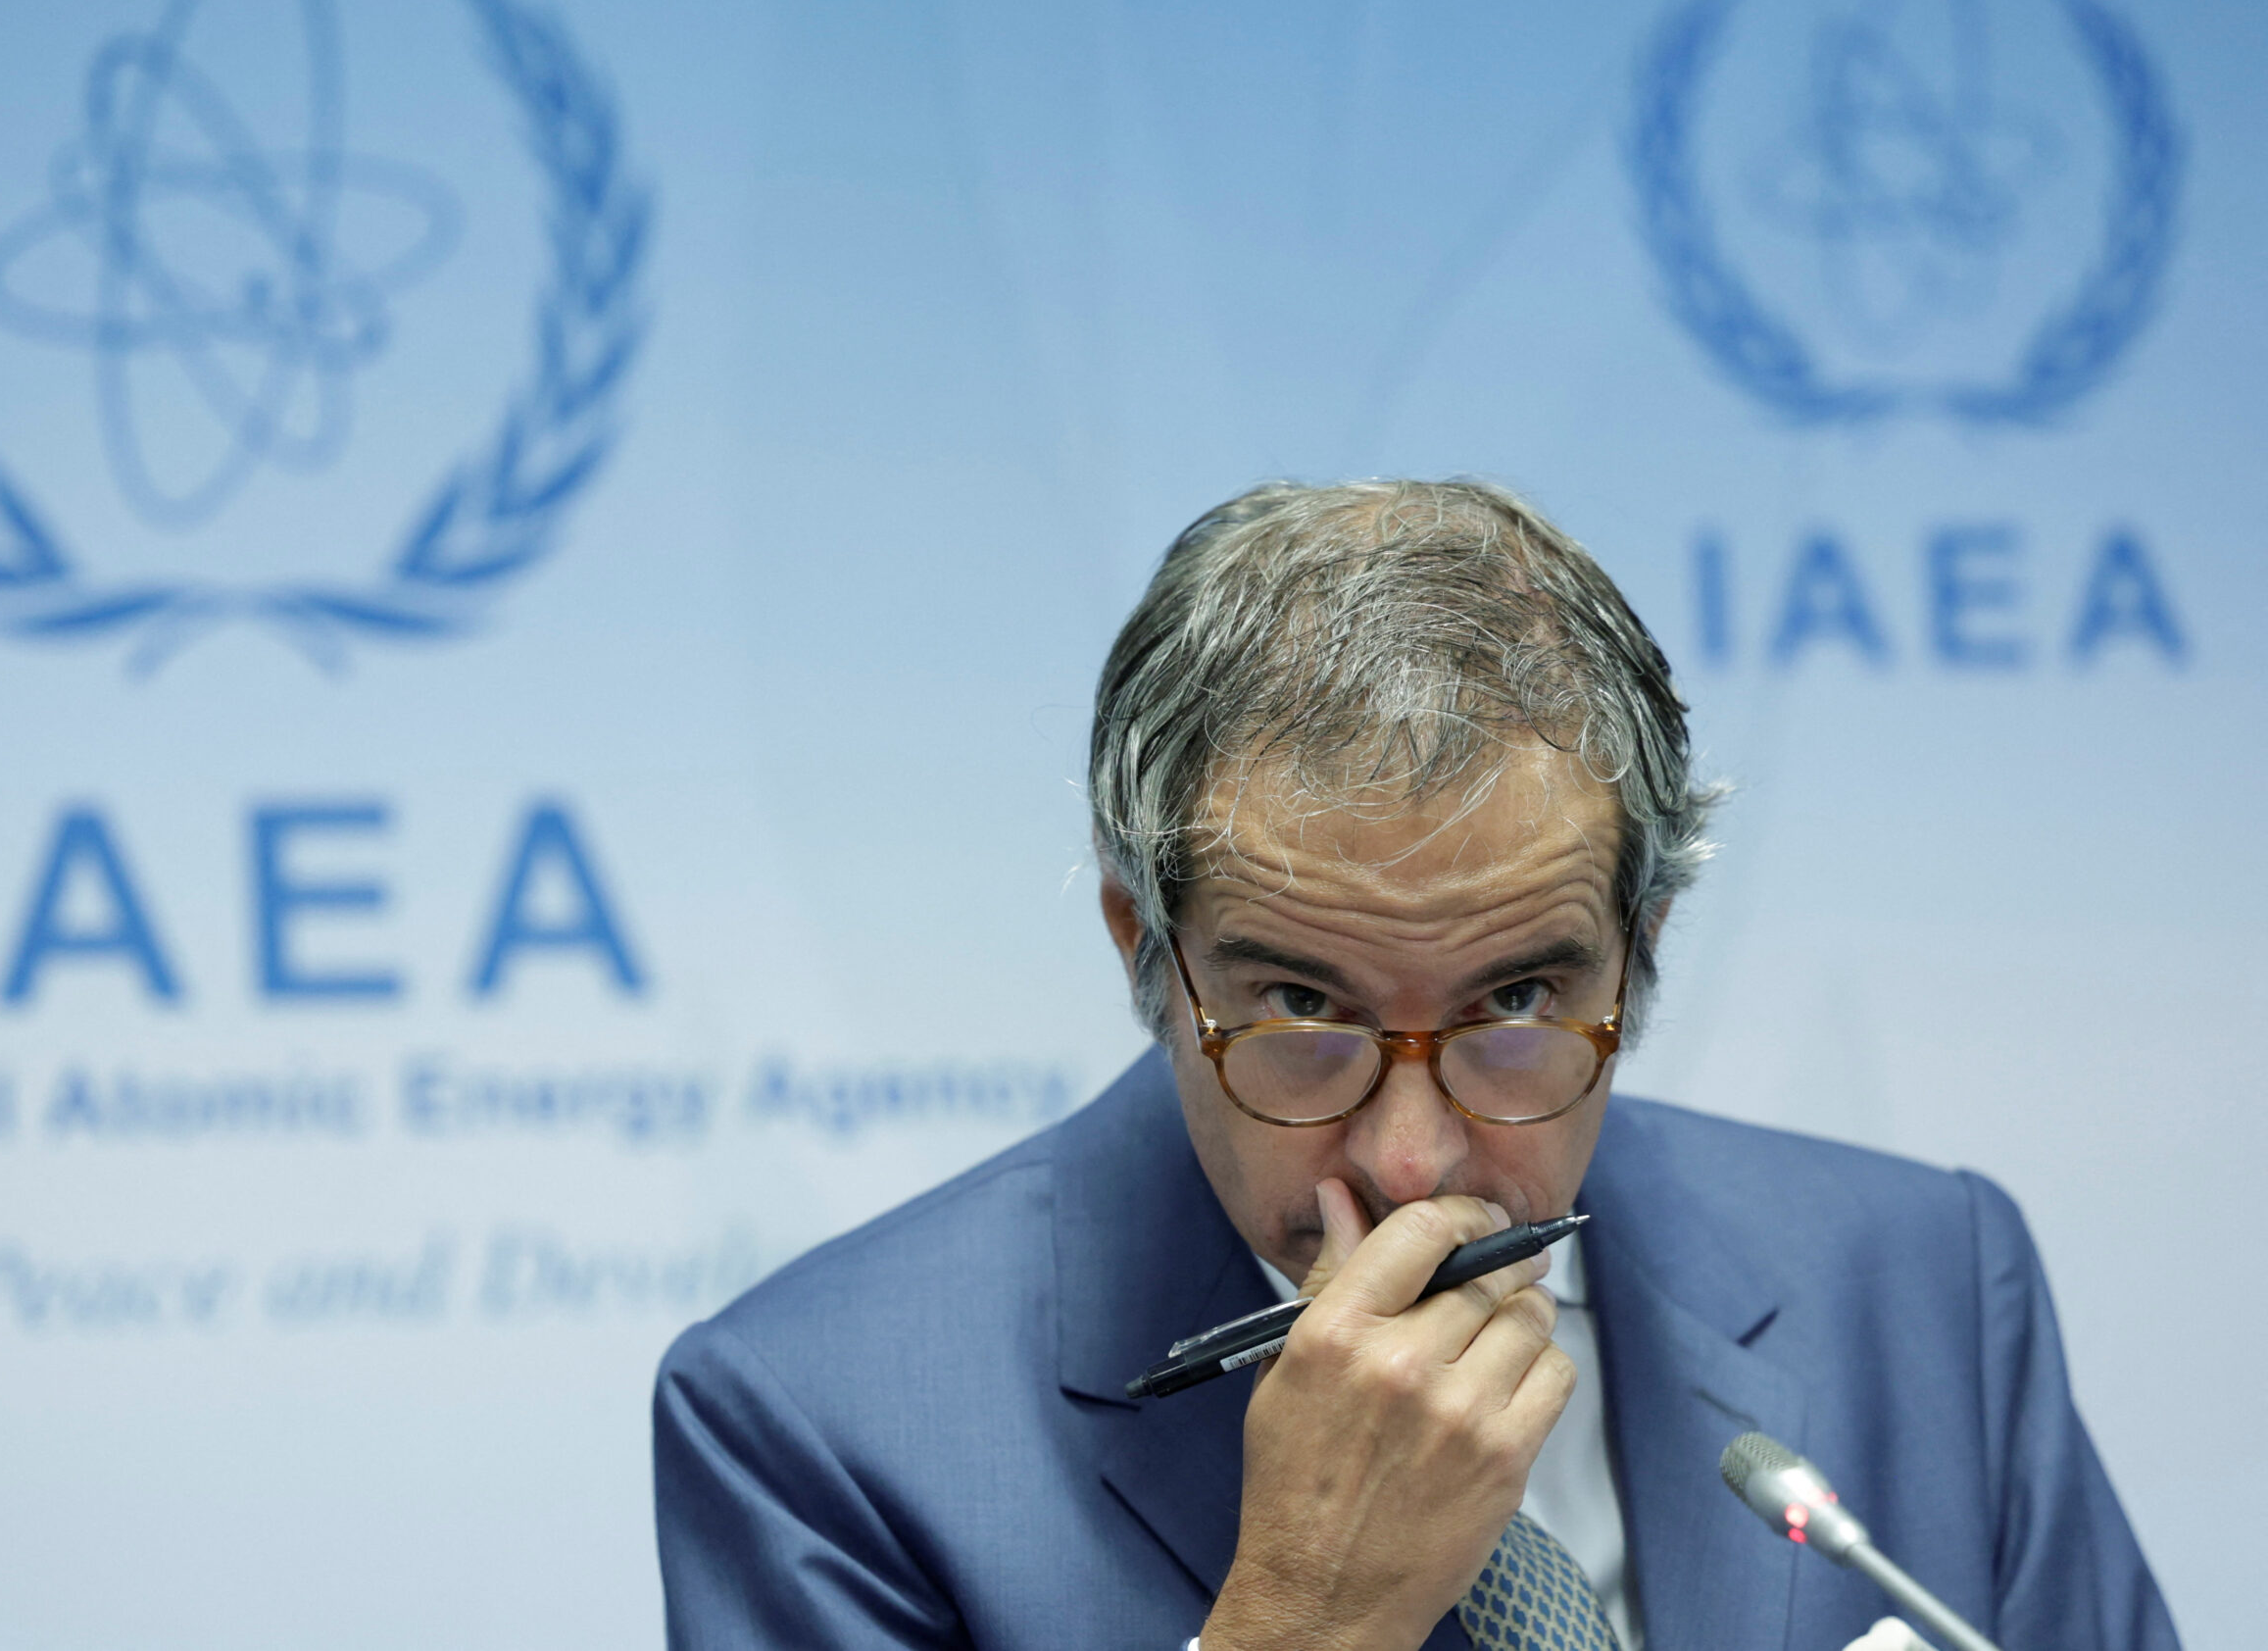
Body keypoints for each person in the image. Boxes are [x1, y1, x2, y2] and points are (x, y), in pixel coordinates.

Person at [652, 479, 2177, 1651]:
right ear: (1147, 951)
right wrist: (1304, 1618)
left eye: (1515, 996)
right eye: (1301, 1003)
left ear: (1639, 949)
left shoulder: (1923, 1280)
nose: (1411, 1160)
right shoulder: (820, 1424)